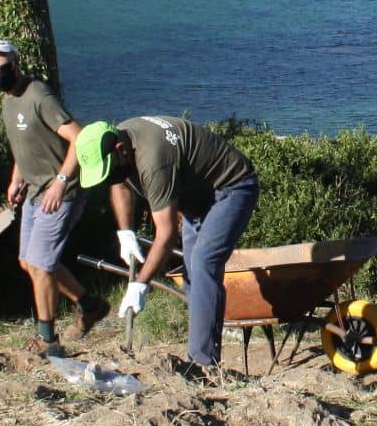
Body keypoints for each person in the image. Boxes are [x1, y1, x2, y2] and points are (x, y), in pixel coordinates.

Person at [76, 115, 259, 378]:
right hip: (198, 201)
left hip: (232, 187)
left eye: (110, 168)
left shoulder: (153, 159)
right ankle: (208, 341)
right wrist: (126, 232)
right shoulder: (122, 141)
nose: (110, 177)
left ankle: (204, 365)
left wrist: (141, 284)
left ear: (120, 149)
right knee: (191, 276)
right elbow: (119, 182)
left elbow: (166, 233)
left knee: (204, 264)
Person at [0, 37, 102, 354]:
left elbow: (80, 137)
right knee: (27, 262)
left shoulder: (39, 96)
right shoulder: (8, 102)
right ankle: (89, 305)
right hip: (34, 192)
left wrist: (61, 181)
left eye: (1, 68)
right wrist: (15, 179)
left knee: (42, 265)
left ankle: (48, 340)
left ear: (15, 64)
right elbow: (23, 147)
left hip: (60, 193)